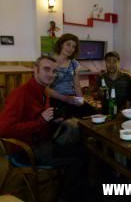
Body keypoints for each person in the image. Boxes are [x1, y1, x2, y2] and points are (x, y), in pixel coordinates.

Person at [0, 56, 86, 202]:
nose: (51, 74)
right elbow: (3, 129)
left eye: (54, 71)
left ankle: (72, 187)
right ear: (35, 69)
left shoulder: (43, 91)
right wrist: (41, 121)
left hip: (42, 142)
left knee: (81, 144)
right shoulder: (21, 94)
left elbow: (37, 119)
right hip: (27, 150)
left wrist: (52, 121)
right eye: (47, 69)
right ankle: (65, 197)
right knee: (79, 157)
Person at [47, 33, 95, 118]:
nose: (71, 49)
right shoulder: (49, 61)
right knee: (69, 118)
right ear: (61, 44)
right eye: (68, 44)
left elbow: (77, 85)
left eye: (73, 46)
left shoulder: (74, 63)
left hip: (72, 98)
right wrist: (66, 99)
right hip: (56, 99)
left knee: (93, 114)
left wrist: (81, 100)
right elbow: (46, 89)